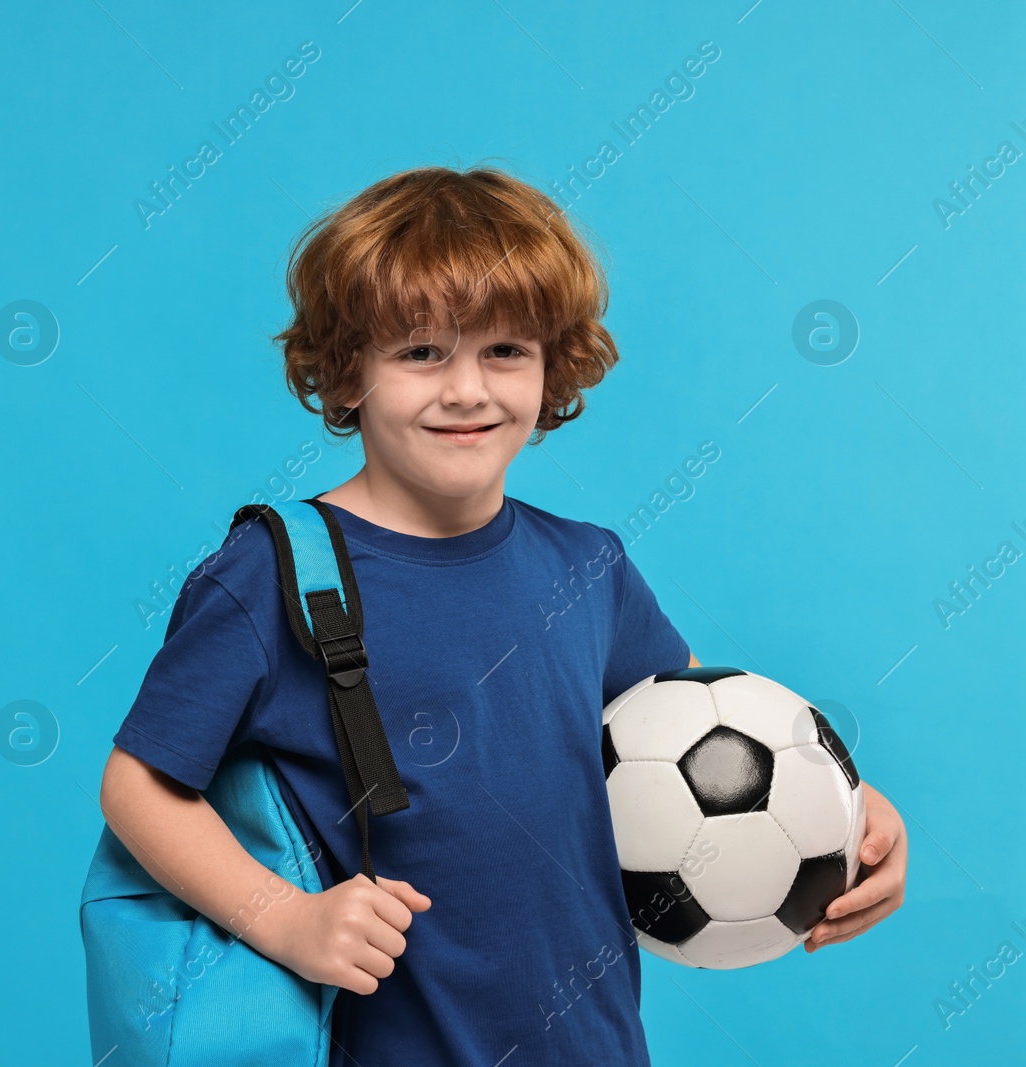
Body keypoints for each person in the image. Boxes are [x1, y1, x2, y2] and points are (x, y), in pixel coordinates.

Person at [97, 163, 908, 1064]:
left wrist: (847, 810)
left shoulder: (588, 565)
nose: (467, 390)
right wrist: (287, 920)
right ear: (346, 371)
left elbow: (706, 739)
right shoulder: (271, 575)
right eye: (420, 352)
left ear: (553, 366)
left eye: (504, 351)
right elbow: (139, 784)